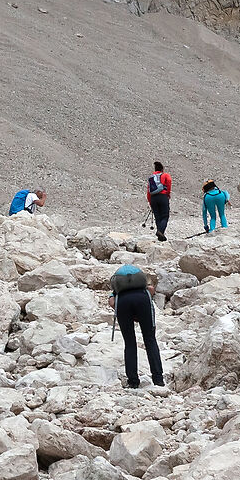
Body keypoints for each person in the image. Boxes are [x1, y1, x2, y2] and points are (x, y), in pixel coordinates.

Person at [109, 259, 165, 388]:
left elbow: (112, 303)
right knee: (150, 340)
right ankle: (158, 379)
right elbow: (151, 290)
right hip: (143, 300)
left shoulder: (117, 293)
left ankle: (133, 381)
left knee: (130, 343)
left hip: (123, 303)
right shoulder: (144, 288)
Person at [146, 162, 172, 240]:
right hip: (162, 196)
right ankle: (160, 231)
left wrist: (150, 202)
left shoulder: (151, 178)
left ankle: (160, 236)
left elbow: (148, 191)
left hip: (153, 198)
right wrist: (167, 193)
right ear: (162, 169)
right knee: (165, 216)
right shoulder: (165, 175)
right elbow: (169, 181)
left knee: (157, 217)